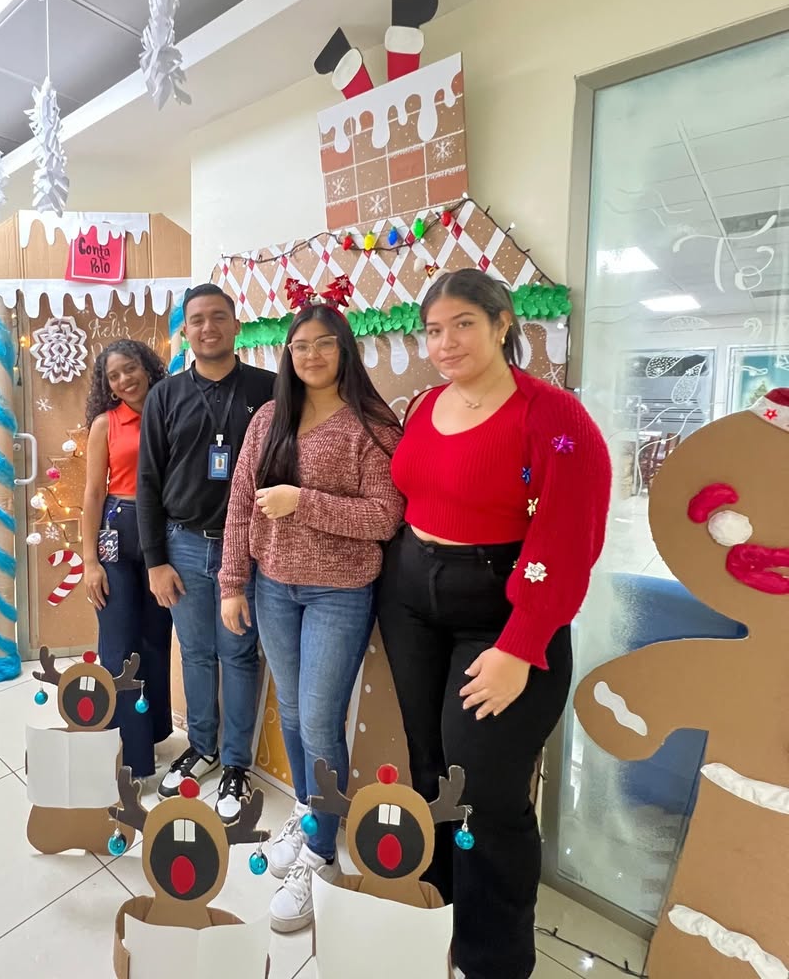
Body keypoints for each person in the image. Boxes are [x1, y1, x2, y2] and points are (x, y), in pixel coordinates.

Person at [377, 268, 611, 979]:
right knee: (430, 768)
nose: (445, 343)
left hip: (503, 613)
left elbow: (566, 537)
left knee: (484, 786)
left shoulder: (554, 418)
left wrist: (522, 644)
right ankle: (439, 911)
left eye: (463, 325)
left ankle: (494, 959)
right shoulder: (425, 405)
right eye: (434, 330)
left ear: (503, 323)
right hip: (412, 602)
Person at [219, 301, 404, 932]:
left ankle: (321, 854)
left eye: (324, 343)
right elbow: (241, 505)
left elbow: (384, 518)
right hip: (273, 587)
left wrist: (303, 502)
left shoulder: (371, 426)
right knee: (294, 714)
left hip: (338, 593)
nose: (312, 355)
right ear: (288, 355)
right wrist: (232, 583)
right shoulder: (269, 418)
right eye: (300, 346)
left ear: (344, 349)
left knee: (321, 721)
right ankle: (309, 817)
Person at [137, 284, 275, 820]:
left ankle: (236, 762)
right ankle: (202, 746)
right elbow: (148, 481)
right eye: (197, 319)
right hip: (183, 545)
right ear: (186, 330)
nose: (208, 327)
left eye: (219, 317)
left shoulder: (269, 388)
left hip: (247, 550)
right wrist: (156, 561)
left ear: (237, 325)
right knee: (195, 652)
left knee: (238, 654)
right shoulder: (165, 395)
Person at [82, 339, 173, 779]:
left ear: (147, 366)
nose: (123, 380)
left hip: (165, 534)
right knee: (118, 646)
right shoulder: (106, 424)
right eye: (113, 376)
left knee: (155, 639)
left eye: (129, 369)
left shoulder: (172, 410)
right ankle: (130, 756)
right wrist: (90, 561)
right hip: (118, 530)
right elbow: (92, 494)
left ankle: (151, 735)